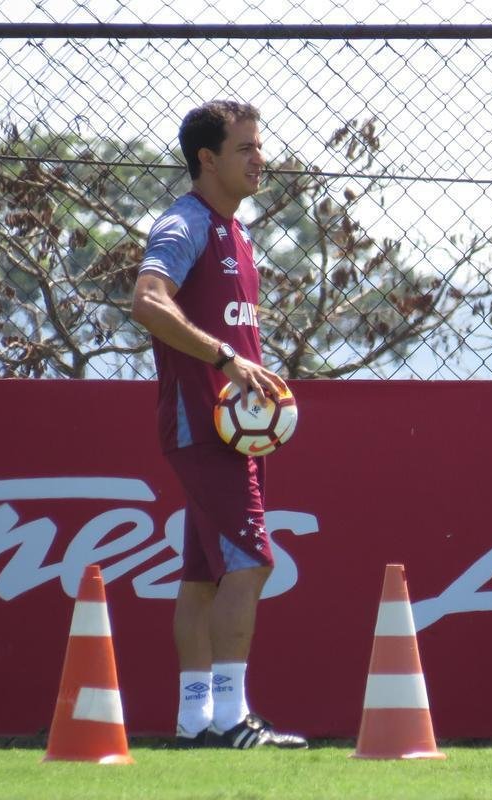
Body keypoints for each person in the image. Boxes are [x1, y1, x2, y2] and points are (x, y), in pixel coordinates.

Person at [131, 100, 307, 750]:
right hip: (203, 426)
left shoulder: (237, 233)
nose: (261, 159)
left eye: (260, 146)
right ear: (207, 159)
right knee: (252, 562)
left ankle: (195, 720)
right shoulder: (185, 225)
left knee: (204, 576)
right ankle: (233, 720)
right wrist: (227, 360)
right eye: (246, 148)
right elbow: (147, 301)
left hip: (232, 432)